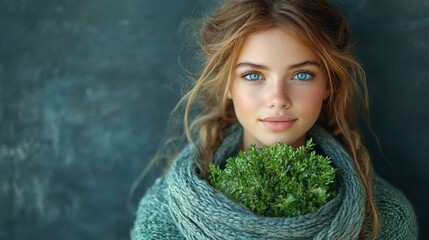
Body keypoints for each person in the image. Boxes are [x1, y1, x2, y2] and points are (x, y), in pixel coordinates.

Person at [131, 0, 417, 239]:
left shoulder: (384, 217)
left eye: (302, 75)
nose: (278, 98)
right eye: (253, 75)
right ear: (227, 85)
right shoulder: (166, 213)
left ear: (329, 84)